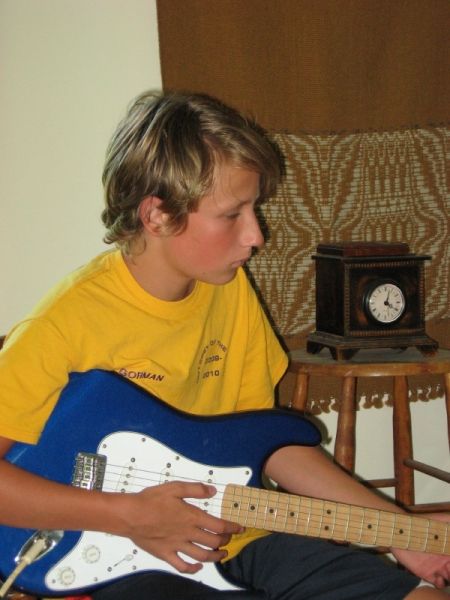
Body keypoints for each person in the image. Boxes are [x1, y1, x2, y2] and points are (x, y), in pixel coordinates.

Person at [0, 91, 449, 600]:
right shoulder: (65, 323)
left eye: (254, 209)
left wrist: (402, 532)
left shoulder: (229, 289)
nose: (256, 235)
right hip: (131, 564)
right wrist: (128, 515)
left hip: (247, 538)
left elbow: (270, 446)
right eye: (233, 214)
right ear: (157, 215)